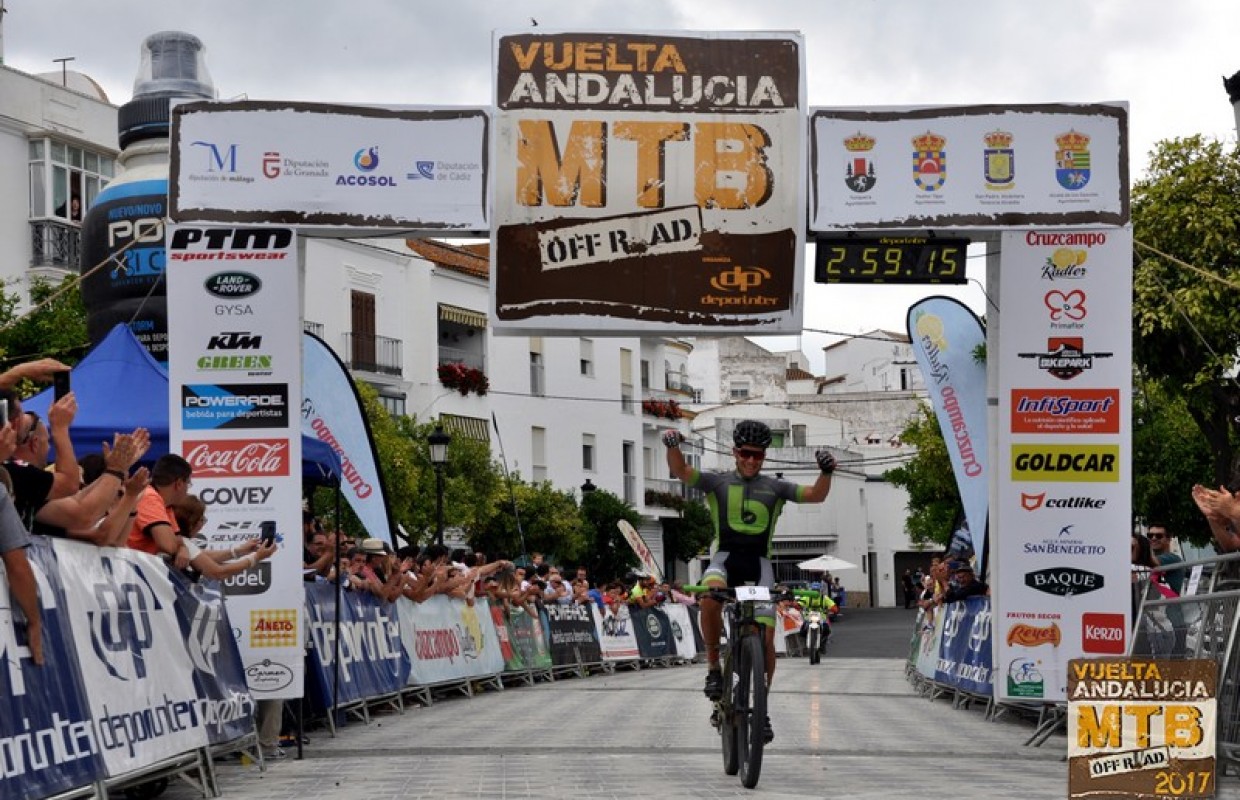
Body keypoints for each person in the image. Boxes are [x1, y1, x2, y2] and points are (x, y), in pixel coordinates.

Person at [664, 420, 836, 744]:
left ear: (764, 456)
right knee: (710, 596)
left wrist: (826, 473)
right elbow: (682, 471)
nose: (752, 461)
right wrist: (672, 446)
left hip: (759, 568)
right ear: (735, 453)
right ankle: (714, 667)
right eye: (746, 454)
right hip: (725, 561)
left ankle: (762, 707)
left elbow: (815, 495)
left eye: (758, 455)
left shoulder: (775, 487)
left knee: (767, 638)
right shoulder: (718, 482)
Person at [126, 454, 195, 568]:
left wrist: (183, 548)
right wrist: (180, 548)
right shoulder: (149, 497)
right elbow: (168, 546)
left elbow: (178, 541)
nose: (188, 489)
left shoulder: (165, 504)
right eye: (188, 483)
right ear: (179, 484)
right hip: (129, 569)